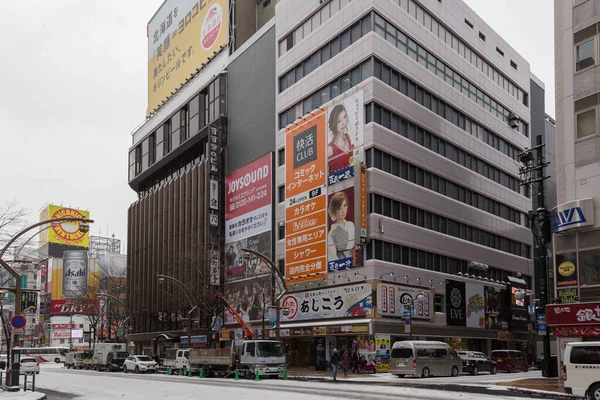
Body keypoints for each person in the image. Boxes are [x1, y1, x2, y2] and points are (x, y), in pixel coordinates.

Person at [327, 191, 355, 261]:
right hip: (341, 264)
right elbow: (332, 257)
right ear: (334, 211)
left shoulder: (351, 225)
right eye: (339, 209)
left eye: (345, 205)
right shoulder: (331, 234)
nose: (343, 211)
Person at [328, 104, 355, 174]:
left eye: (344, 117)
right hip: (337, 182)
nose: (343, 123)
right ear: (334, 124)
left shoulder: (347, 137)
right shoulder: (330, 148)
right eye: (339, 121)